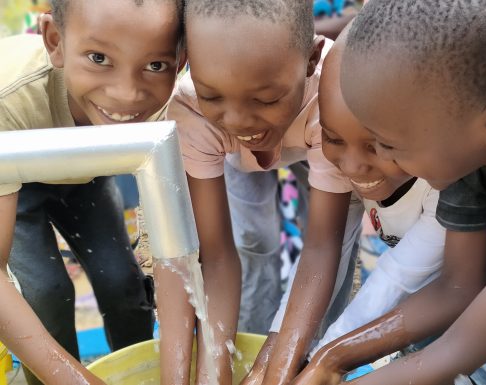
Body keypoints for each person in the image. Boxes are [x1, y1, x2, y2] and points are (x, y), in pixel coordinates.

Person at [296, 0, 486, 384]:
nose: (382, 160)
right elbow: (456, 286)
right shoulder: (472, 143)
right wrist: (331, 358)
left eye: (388, 144)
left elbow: (459, 349)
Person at [165, 1, 364, 383]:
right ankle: (255, 328)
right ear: (187, 62)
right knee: (254, 238)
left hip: (311, 131)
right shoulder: (192, 110)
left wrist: (283, 358)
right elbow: (217, 254)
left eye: (265, 98)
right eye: (214, 94)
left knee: (335, 245)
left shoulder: (332, 101)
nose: (239, 119)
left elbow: (323, 245)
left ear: (310, 59)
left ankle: (316, 348)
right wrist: (214, 372)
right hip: (234, 156)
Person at [0, 0, 186, 383]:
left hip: (87, 176)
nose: (127, 95)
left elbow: (174, 252)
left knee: (123, 283)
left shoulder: (174, 105)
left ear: (181, 59)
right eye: (99, 58)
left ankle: (136, 373)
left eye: (155, 65)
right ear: (54, 41)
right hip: (15, 178)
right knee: (45, 294)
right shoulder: (11, 100)